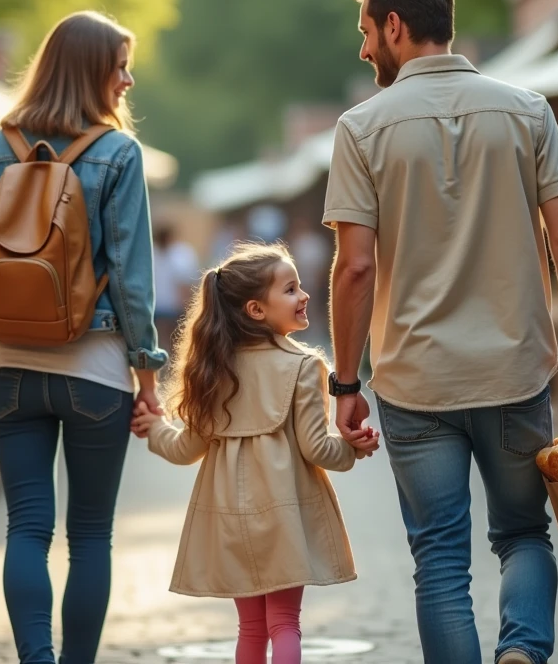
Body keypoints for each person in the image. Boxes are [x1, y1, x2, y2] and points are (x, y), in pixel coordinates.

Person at [323, 0, 558, 664]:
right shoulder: (527, 110)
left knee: (440, 561)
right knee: (523, 536)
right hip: (515, 372)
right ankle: (521, 650)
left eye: (366, 32)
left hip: (414, 383)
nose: (364, 50)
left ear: (395, 26)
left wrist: (343, 382)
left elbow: (356, 266)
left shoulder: (361, 129)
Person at [0, 11, 166, 664]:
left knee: (27, 528)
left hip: (7, 373)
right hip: (94, 371)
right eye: (120, 66)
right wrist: (147, 375)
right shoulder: (118, 153)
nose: (128, 80)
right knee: (91, 534)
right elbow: (130, 278)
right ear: (90, 70)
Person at [132, 242, 379, 664]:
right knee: (285, 623)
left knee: (250, 629)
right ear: (256, 309)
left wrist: (154, 428)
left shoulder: (213, 370)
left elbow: (184, 448)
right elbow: (319, 449)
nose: (303, 296)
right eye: (289, 289)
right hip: (284, 518)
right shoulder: (303, 366)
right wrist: (353, 448)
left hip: (228, 520)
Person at [152, 224, 200, 352]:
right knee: (172, 344)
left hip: (167, 307)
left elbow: (184, 284)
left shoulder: (179, 253)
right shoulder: (181, 254)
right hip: (163, 307)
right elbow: (185, 284)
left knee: (168, 343)